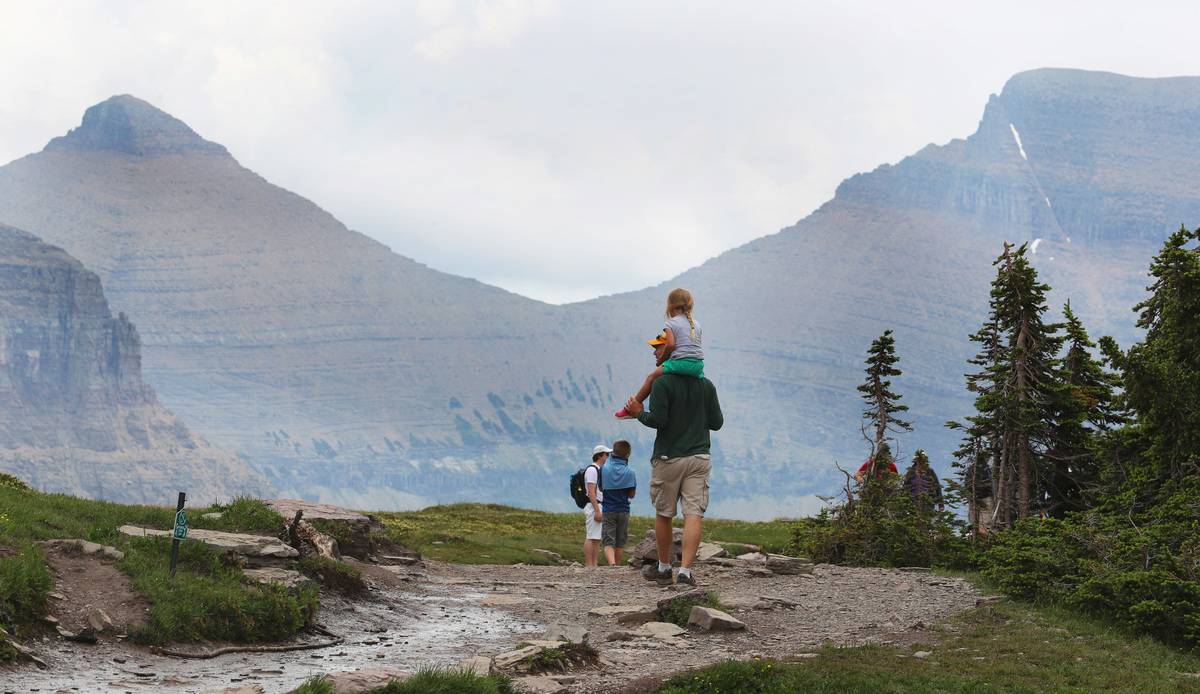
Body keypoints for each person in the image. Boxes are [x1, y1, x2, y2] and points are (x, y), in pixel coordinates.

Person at [623, 334, 723, 586]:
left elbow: (658, 421)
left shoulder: (662, 384)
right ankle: (685, 572)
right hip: (699, 457)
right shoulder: (707, 385)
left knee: (664, 513)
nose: (655, 353)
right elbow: (717, 423)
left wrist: (638, 414)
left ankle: (664, 567)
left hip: (669, 457)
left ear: (672, 353)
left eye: (658, 349)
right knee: (693, 514)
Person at [615, 288, 704, 419]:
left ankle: (631, 407)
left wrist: (662, 359)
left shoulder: (671, 323)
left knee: (651, 377)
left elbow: (671, 344)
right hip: (698, 366)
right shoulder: (697, 324)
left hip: (680, 364)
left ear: (670, 306)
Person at [601, 440, 637, 566]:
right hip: (624, 509)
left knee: (608, 540)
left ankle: (612, 564)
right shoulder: (630, 472)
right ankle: (617, 564)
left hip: (608, 509)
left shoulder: (604, 469)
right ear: (628, 454)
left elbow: (601, 488)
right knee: (620, 540)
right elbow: (631, 495)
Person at [582, 444, 610, 567]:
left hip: (599, 505)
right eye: (606, 454)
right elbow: (591, 491)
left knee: (596, 536)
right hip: (595, 506)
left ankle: (594, 563)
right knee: (590, 535)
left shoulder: (598, 469)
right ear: (600, 456)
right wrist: (597, 510)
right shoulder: (592, 470)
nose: (608, 457)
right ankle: (589, 564)